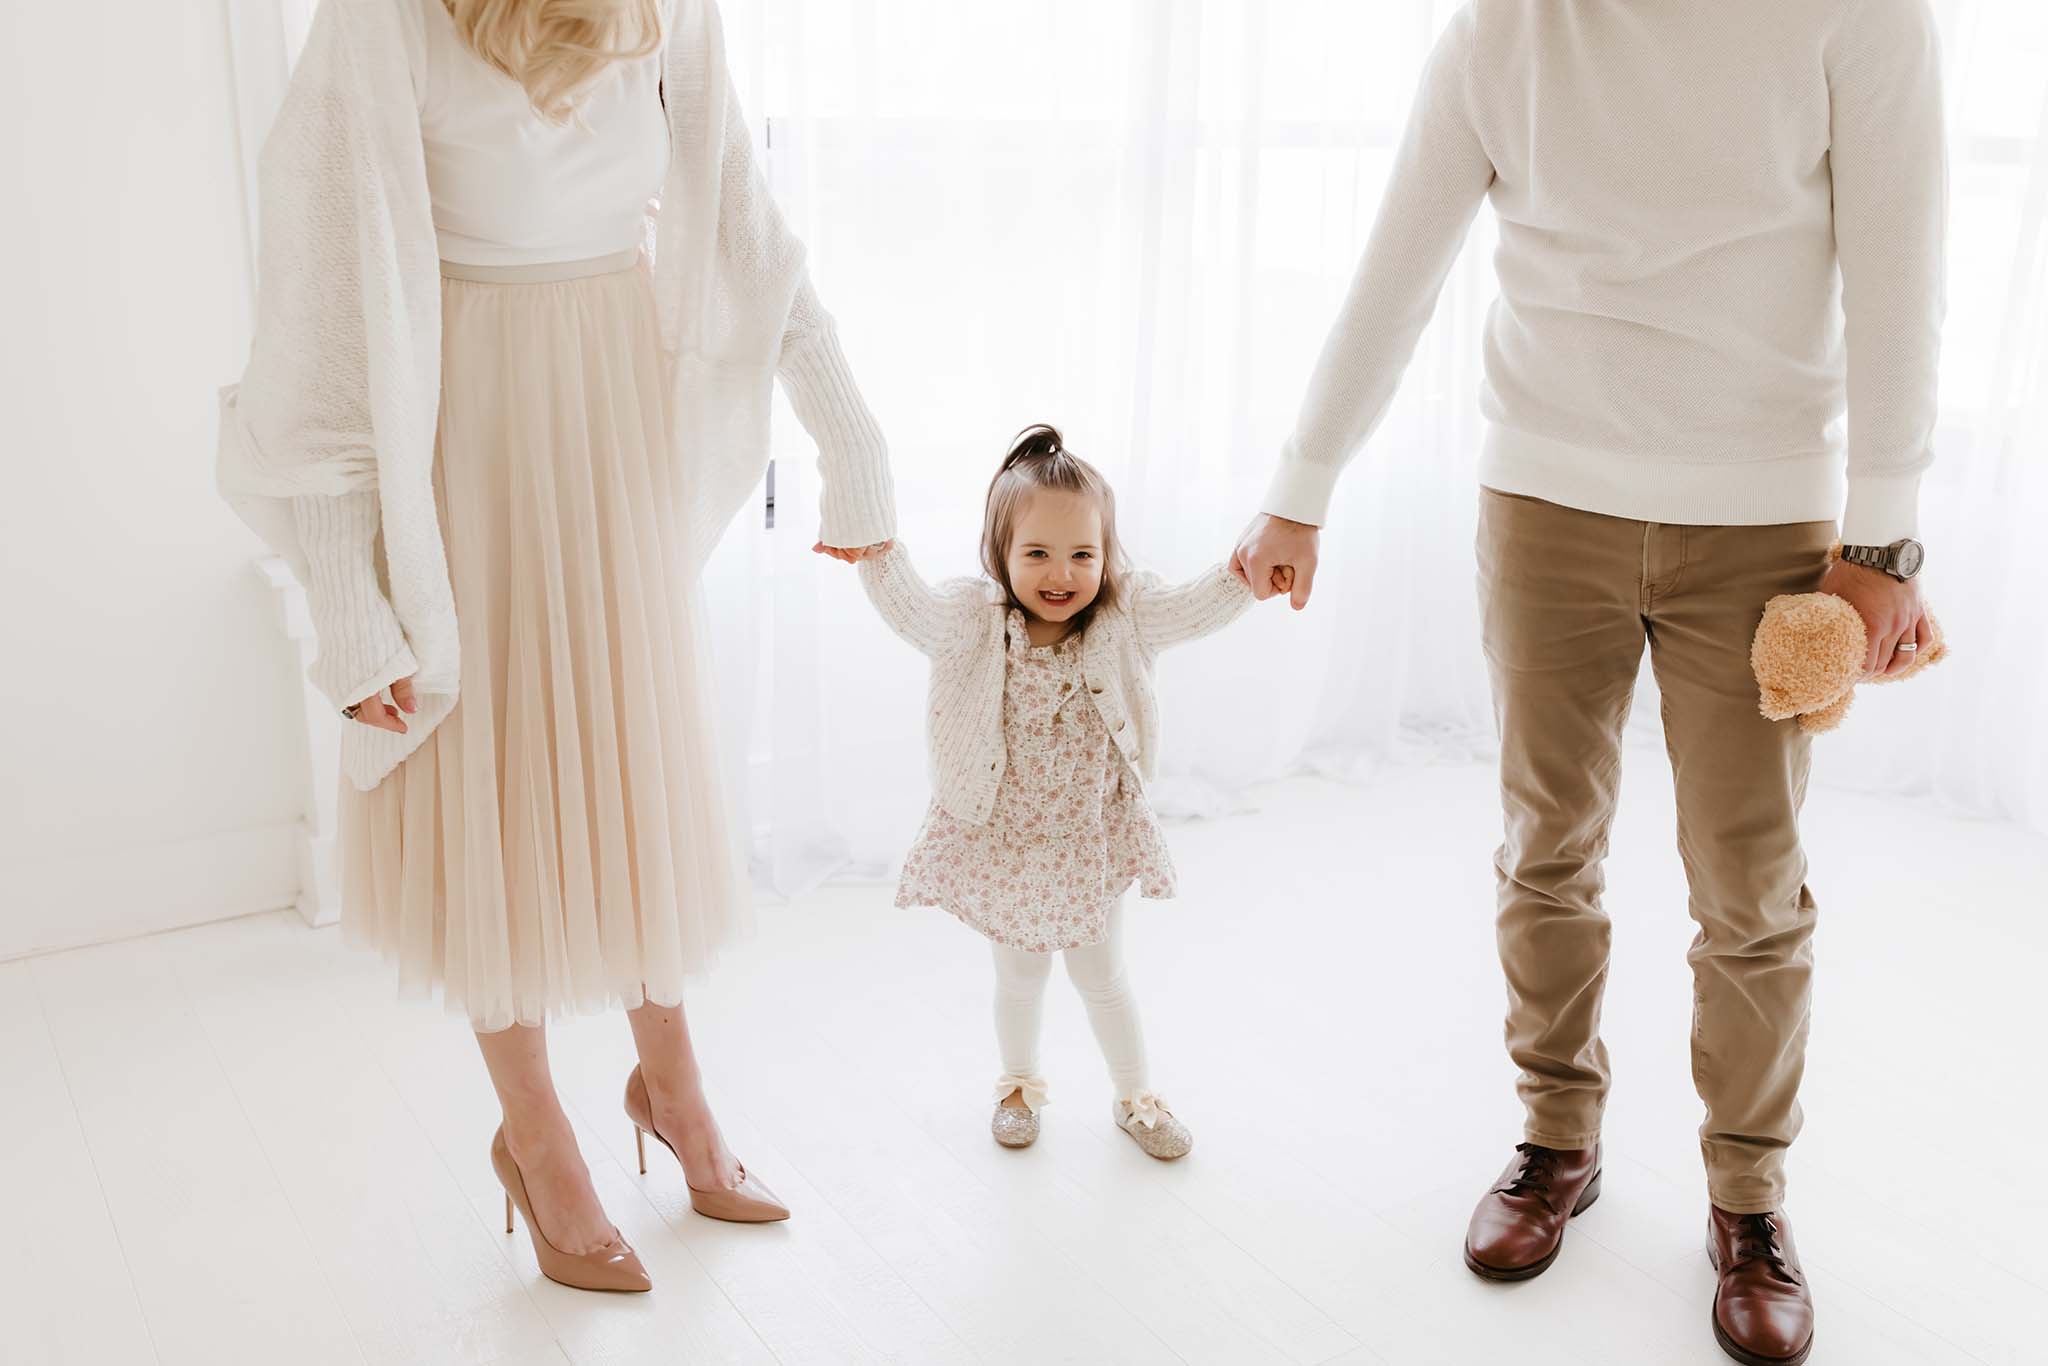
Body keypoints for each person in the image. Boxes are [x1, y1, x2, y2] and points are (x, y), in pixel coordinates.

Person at [1232, 2, 1945, 1362]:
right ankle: (1556, 1136)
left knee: (1750, 884)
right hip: (1545, 498)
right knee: (1543, 845)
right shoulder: (1506, 25)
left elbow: (1905, 265)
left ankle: (1750, 1200)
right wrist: (1299, 492)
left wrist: (1882, 543)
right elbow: (1399, 267)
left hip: (1766, 523)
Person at [216, 0, 894, 1292]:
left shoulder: (668, 11)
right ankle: (537, 1137)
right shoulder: (380, 22)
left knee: (626, 770)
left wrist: (848, 439)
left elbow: (747, 234)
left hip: (610, 413)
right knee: (492, 790)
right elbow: (312, 300)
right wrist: (350, 607)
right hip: (459, 429)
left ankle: (674, 1089)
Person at [857, 425, 1257, 1159]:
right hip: (1003, 837)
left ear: (1108, 558)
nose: (1060, 572)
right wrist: (875, 550)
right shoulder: (969, 624)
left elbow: (1204, 602)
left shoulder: (1125, 617)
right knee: (1020, 976)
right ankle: (1017, 1084)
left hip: (1089, 839)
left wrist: (1249, 571)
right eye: (1036, 553)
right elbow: (905, 603)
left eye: (1082, 554)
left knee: (1103, 978)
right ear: (1000, 555)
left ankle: (1136, 1096)